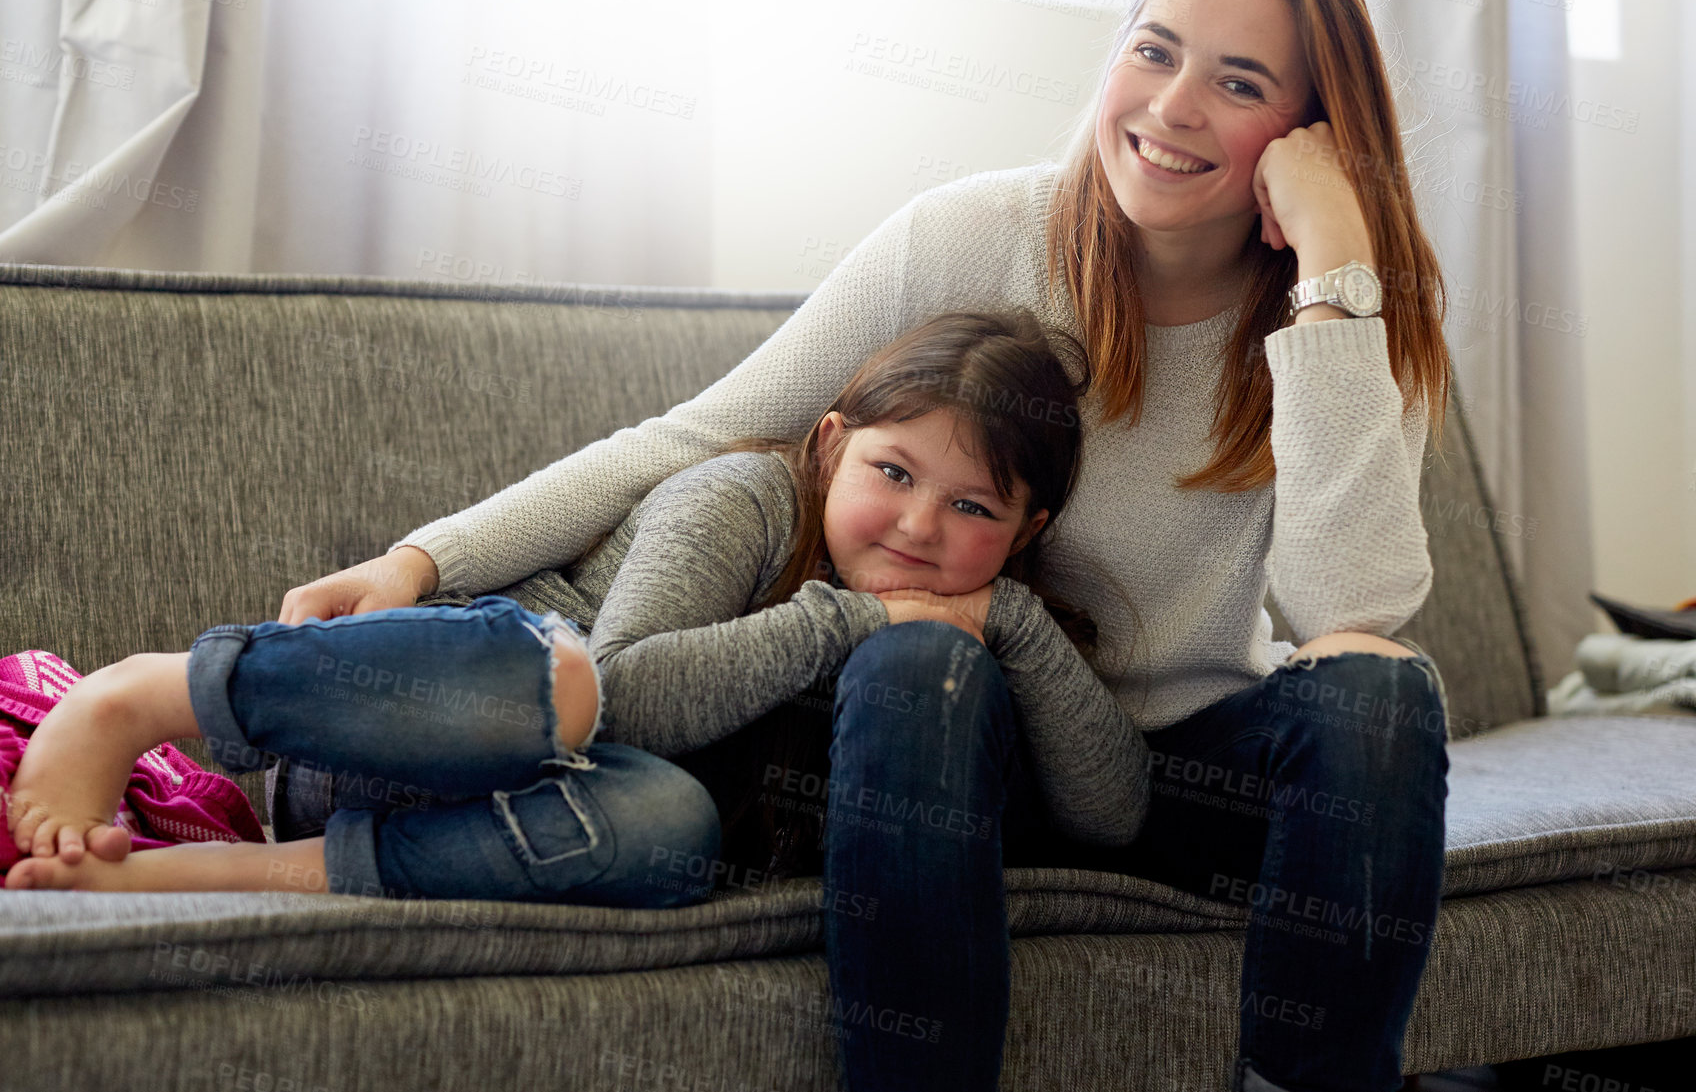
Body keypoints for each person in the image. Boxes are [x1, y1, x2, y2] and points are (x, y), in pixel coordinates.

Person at [211, 0, 1456, 1088]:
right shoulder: (973, 236)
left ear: (1312, 134)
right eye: (1154, 51)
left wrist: (1337, 281)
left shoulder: (1344, 317)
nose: (1172, 107)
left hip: (1172, 775)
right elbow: (699, 434)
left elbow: (1349, 605)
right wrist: (422, 562)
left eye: (1239, 84)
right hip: (959, 733)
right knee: (918, 652)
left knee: (1381, 691)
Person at [3, 312, 1147, 908]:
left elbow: (1111, 814)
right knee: (563, 683)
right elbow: (631, 691)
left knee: (673, 831)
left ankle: (226, 880)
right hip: (422, 728)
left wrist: (1012, 617)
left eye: (972, 508)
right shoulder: (742, 498)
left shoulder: (969, 614)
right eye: (893, 473)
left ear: (1027, 529)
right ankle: (152, 693)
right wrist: (846, 622)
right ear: (832, 442)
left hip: (509, 833)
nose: (916, 531)